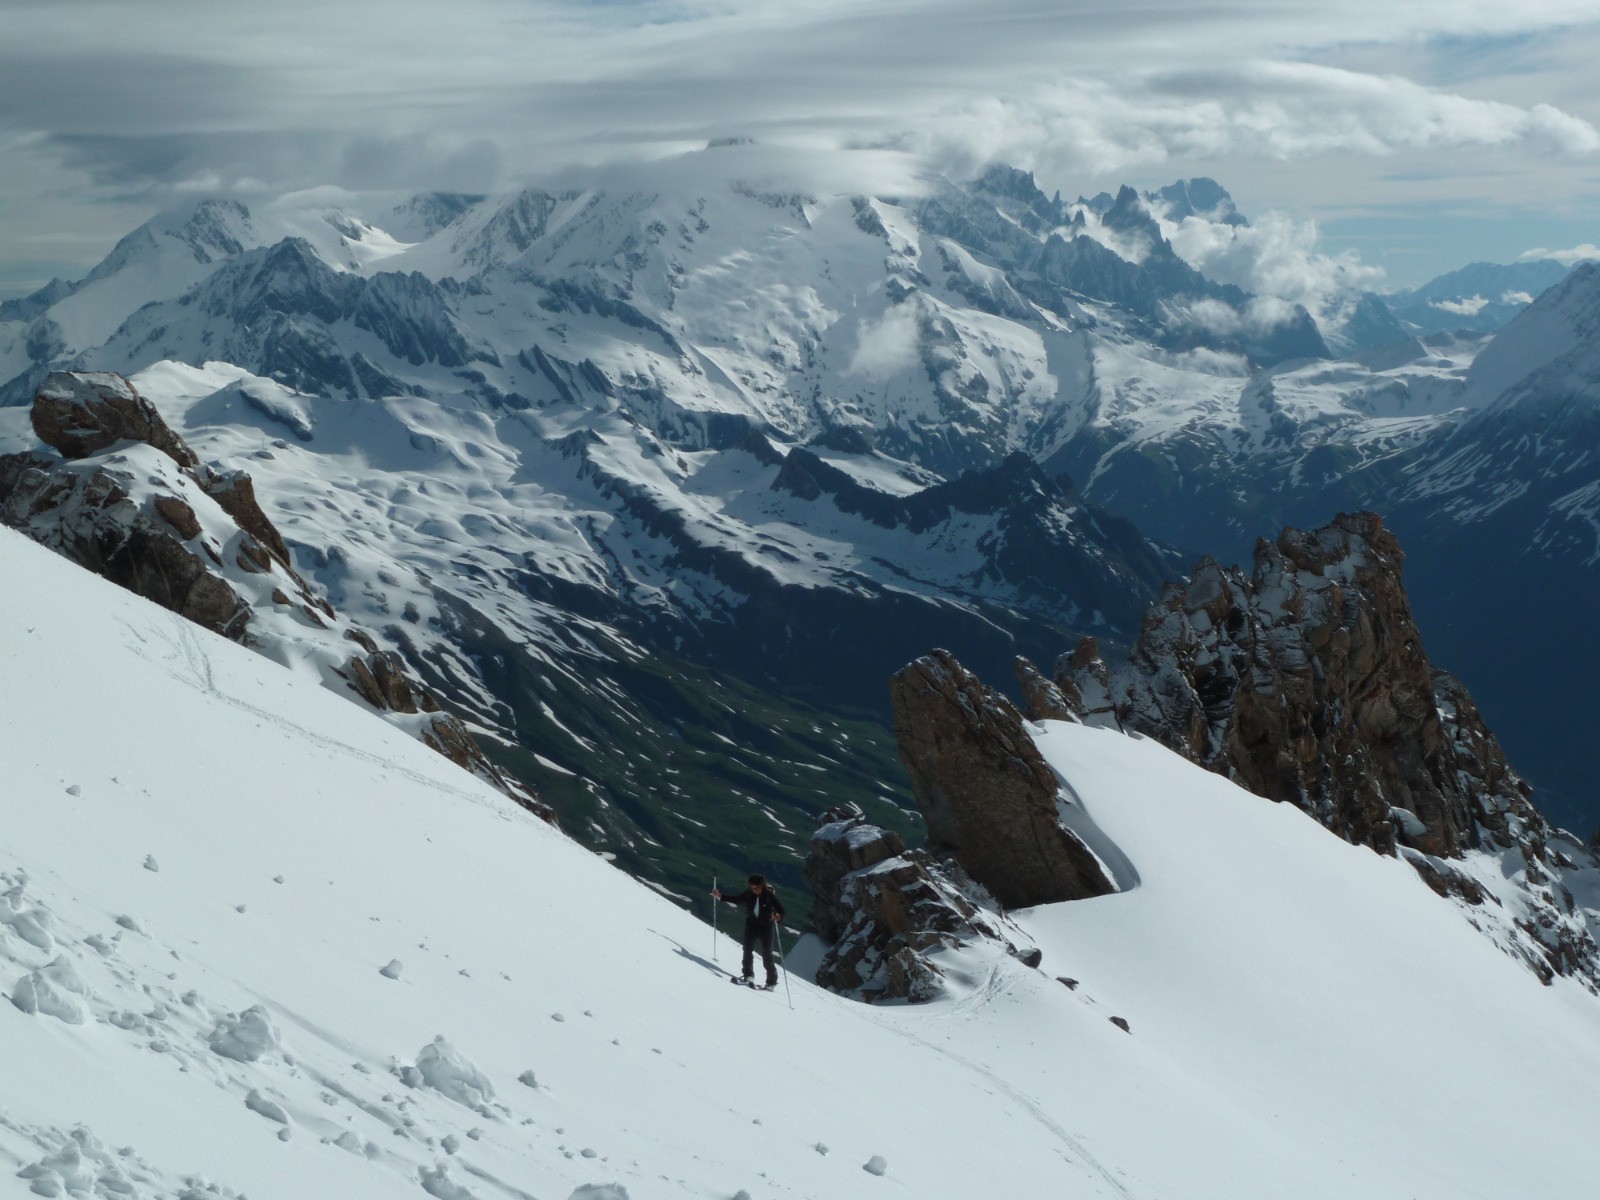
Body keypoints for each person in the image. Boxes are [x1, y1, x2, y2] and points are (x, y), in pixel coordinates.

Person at [712, 874, 786, 988]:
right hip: (751, 926)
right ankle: (748, 975)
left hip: (765, 928)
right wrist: (720, 896)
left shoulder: (769, 896)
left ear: (763, 886)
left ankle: (771, 981)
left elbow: (781, 910)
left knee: (767, 955)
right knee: (747, 950)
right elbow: (737, 899)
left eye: (757, 888)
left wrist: (778, 916)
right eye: (752, 888)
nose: (754, 890)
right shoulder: (750, 893)